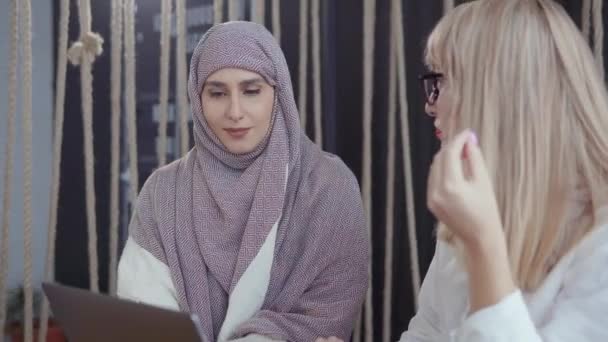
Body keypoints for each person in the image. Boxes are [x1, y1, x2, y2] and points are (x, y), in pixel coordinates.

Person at [318, 0, 608, 341]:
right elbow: (426, 334)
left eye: (440, 80)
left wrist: (483, 245)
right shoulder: (466, 223)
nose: (429, 104)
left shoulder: (599, 246)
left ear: (502, 92)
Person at [117, 21, 369, 342]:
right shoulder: (163, 191)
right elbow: (143, 311)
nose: (235, 112)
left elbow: (328, 311)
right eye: (217, 93)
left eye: (252, 91)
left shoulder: (327, 187)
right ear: (198, 98)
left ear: (278, 95)